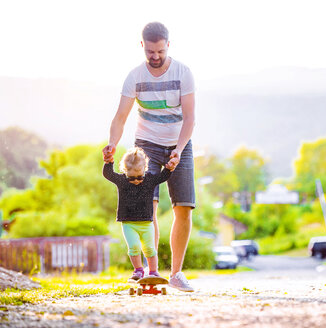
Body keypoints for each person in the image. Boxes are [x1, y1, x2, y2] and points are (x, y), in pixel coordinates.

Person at [102, 21, 196, 292]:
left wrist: (178, 150)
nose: (155, 57)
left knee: (184, 207)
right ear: (142, 45)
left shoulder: (183, 73)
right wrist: (112, 143)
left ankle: (176, 273)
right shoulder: (134, 77)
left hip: (180, 143)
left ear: (168, 45)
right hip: (147, 144)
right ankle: (149, 272)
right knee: (147, 207)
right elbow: (120, 117)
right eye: (150, 52)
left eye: (160, 51)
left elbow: (190, 118)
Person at [103, 147, 173, 281]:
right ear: (125, 171)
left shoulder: (150, 180)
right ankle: (138, 270)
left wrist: (169, 167)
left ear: (145, 169)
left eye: (139, 176)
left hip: (147, 223)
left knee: (150, 249)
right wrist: (108, 162)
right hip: (128, 223)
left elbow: (163, 176)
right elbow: (108, 174)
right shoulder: (122, 180)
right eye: (132, 178)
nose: (136, 180)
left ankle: (153, 272)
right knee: (134, 247)